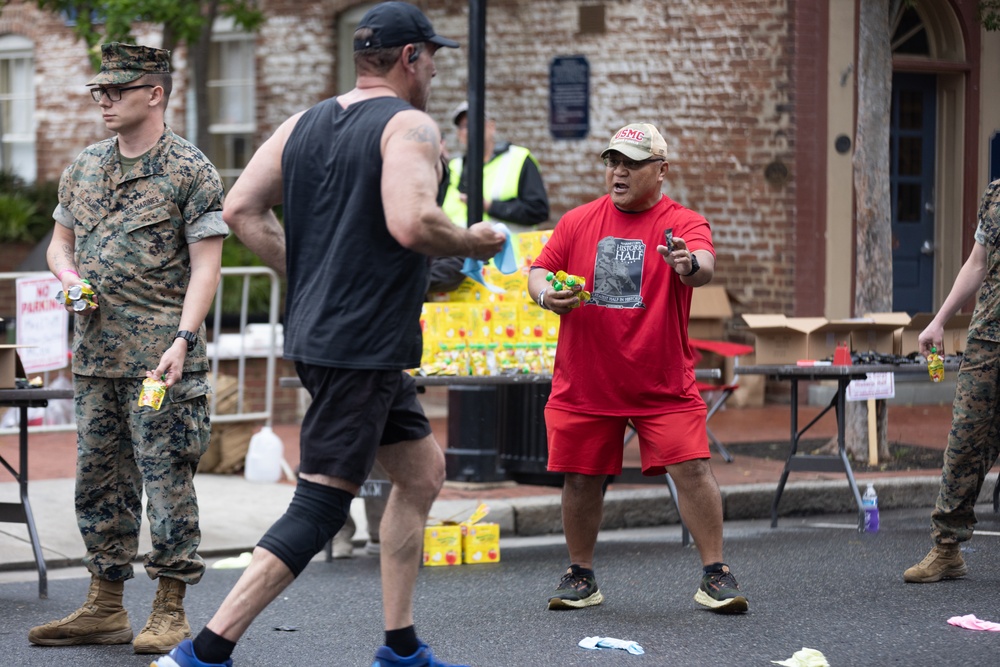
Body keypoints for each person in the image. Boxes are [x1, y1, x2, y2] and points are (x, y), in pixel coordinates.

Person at [152, 4, 505, 667]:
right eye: (431, 57)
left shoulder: (304, 123)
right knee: (320, 503)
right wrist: (470, 240)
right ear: (409, 58)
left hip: (333, 336)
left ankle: (400, 647)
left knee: (422, 471)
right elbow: (411, 222)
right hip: (361, 345)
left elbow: (239, 208)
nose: (432, 70)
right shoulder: (410, 125)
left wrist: (307, 271)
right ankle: (202, 651)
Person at [30, 43, 227, 655]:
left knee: (167, 481)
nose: (105, 101)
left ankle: (169, 607)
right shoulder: (85, 167)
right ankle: (105, 605)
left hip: (161, 363)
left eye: (117, 90)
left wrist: (184, 338)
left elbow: (206, 266)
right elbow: (59, 245)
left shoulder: (189, 169)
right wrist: (68, 279)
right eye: (100, 91)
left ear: (156, 92)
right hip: (95, 360)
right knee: (98, 483)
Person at [527, 122, 749, 614]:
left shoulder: (684, 222)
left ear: (661, 170)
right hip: (587, 378)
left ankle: (716, 574)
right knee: (581, 477)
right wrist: (546, 295)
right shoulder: (578, 221)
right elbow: (538, 269)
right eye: (613, 162)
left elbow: (705, 264)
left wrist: (686, 265)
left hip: (660, 380)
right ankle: (580, 575)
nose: (618, 172)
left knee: (692, 469)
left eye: (631, 163)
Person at [903, 178, 1000, 584]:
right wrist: (938, 322)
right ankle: (946, 549)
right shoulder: (998, 194)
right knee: (965, 439)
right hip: (989, 337)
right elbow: (977, 262)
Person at [441, 100, 549, 233]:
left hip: (508, 253)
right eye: (463, 126)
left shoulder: (518, 159)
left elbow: (538, 211)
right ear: (458, 134)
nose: (469, 130)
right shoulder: (453, 167)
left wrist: (489, 206)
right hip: (461, 253)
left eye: (474, 122)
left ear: (491, 127)